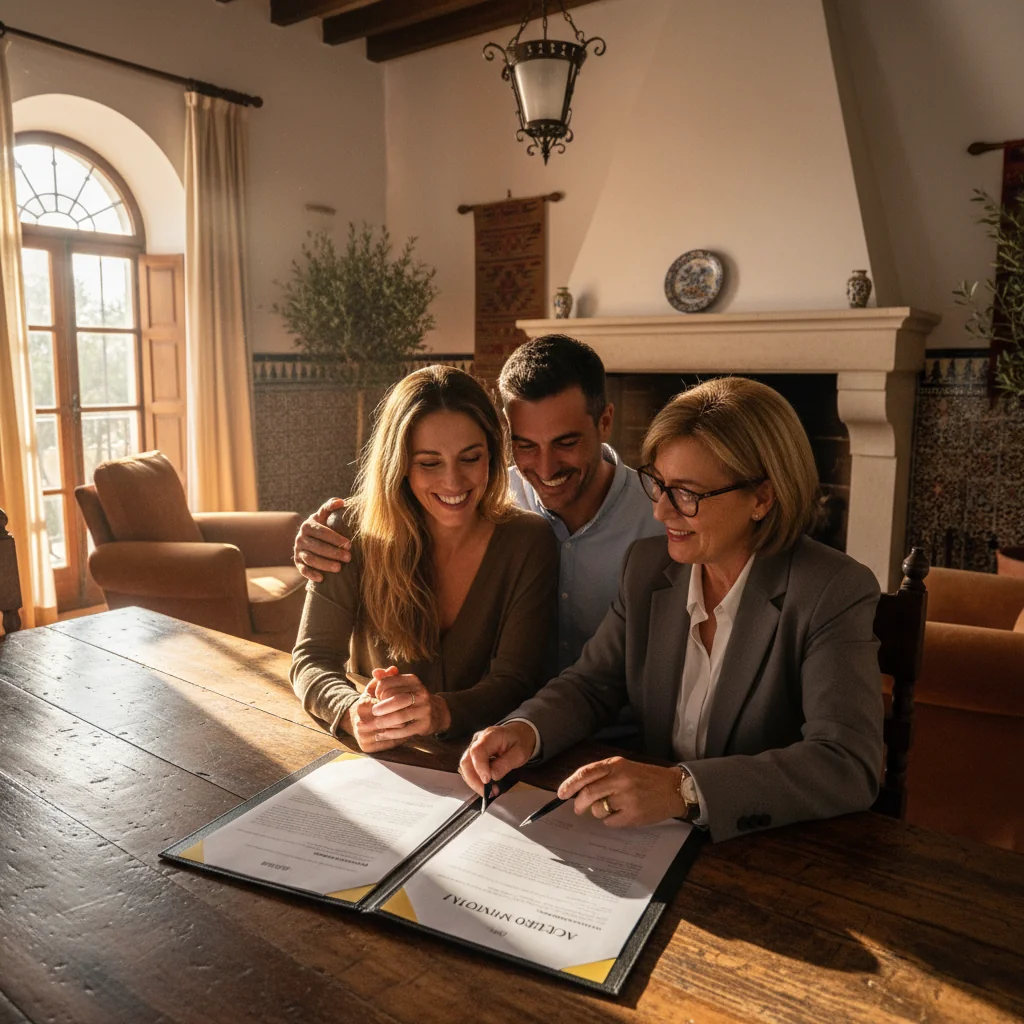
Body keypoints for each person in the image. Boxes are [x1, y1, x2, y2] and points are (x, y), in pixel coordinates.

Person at [460, 376, 883, 843]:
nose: (661, 512)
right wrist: (524, 729)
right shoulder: (647, 566)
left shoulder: (832, 589)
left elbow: (847, 763)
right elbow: (592, 683)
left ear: (762, 497)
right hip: (651, 842)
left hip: (771, 850)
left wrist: (683, 789)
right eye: (658, 485)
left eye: (687, 494)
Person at [293, 335, 661, 675]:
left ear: (605, 421)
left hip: (619, 737)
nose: (545, 468)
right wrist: (319, 538)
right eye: (526, 445)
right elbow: (390, 507)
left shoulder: (663, 518)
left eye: (566, 443)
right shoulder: (485, 498)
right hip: (507, 731)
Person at [290, 364, 558, 753]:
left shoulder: (528, 540)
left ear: (494, 455)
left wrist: (441, 711)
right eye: (429, 463)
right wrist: (351, 712)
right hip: (379, 759)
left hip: (484, 761)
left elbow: (516, 680)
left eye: (471, 457)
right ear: (398, 466)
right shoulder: (345, 530)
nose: (453, 482)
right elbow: (312, 657)